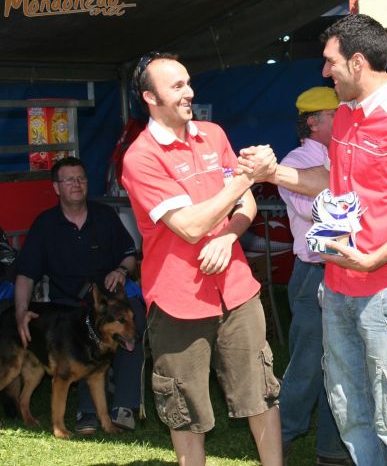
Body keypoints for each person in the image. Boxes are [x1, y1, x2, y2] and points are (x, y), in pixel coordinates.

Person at [241, 14, 387, 465]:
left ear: (357, 62)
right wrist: (272, 172)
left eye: (330, 61)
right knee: (351, 411)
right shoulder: (349, 116)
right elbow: (330, 181)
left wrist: (372, 259)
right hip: (336, 289)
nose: (324, 71)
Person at [121, 52, 282, 466]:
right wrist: (248, 176)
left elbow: (246, 205)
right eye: (176, 86)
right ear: (149, 98)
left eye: (189, 82)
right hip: (178, 301)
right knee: (184, 408)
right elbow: (190, 226)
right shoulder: (141, 158)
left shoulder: (213, 134)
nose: (189, 92)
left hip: (237, 291)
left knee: (260, 391)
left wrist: (228, 237)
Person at [14, 156, 145, 434]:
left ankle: (124, 406)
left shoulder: (105, 216)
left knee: (136, 320)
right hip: (69, 305)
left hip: (110, 301)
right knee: (77, 334)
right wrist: (21, 312)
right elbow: (25, 274)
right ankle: (86, 412)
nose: (77, 184)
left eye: (81, 178)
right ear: (56, 188)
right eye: (69, 179)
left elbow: (129, 254)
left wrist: (122, 270)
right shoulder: (45, 225)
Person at [277, 86, 352, 466]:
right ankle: (278, 437)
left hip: (342, 268)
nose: (344, 119)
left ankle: (331, 449)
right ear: (314, 120)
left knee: (337, 362)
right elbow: (318, 211)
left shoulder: (336, 154)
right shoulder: (294, 160)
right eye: (336, 114)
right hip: (313, 272)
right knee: (308, 362)